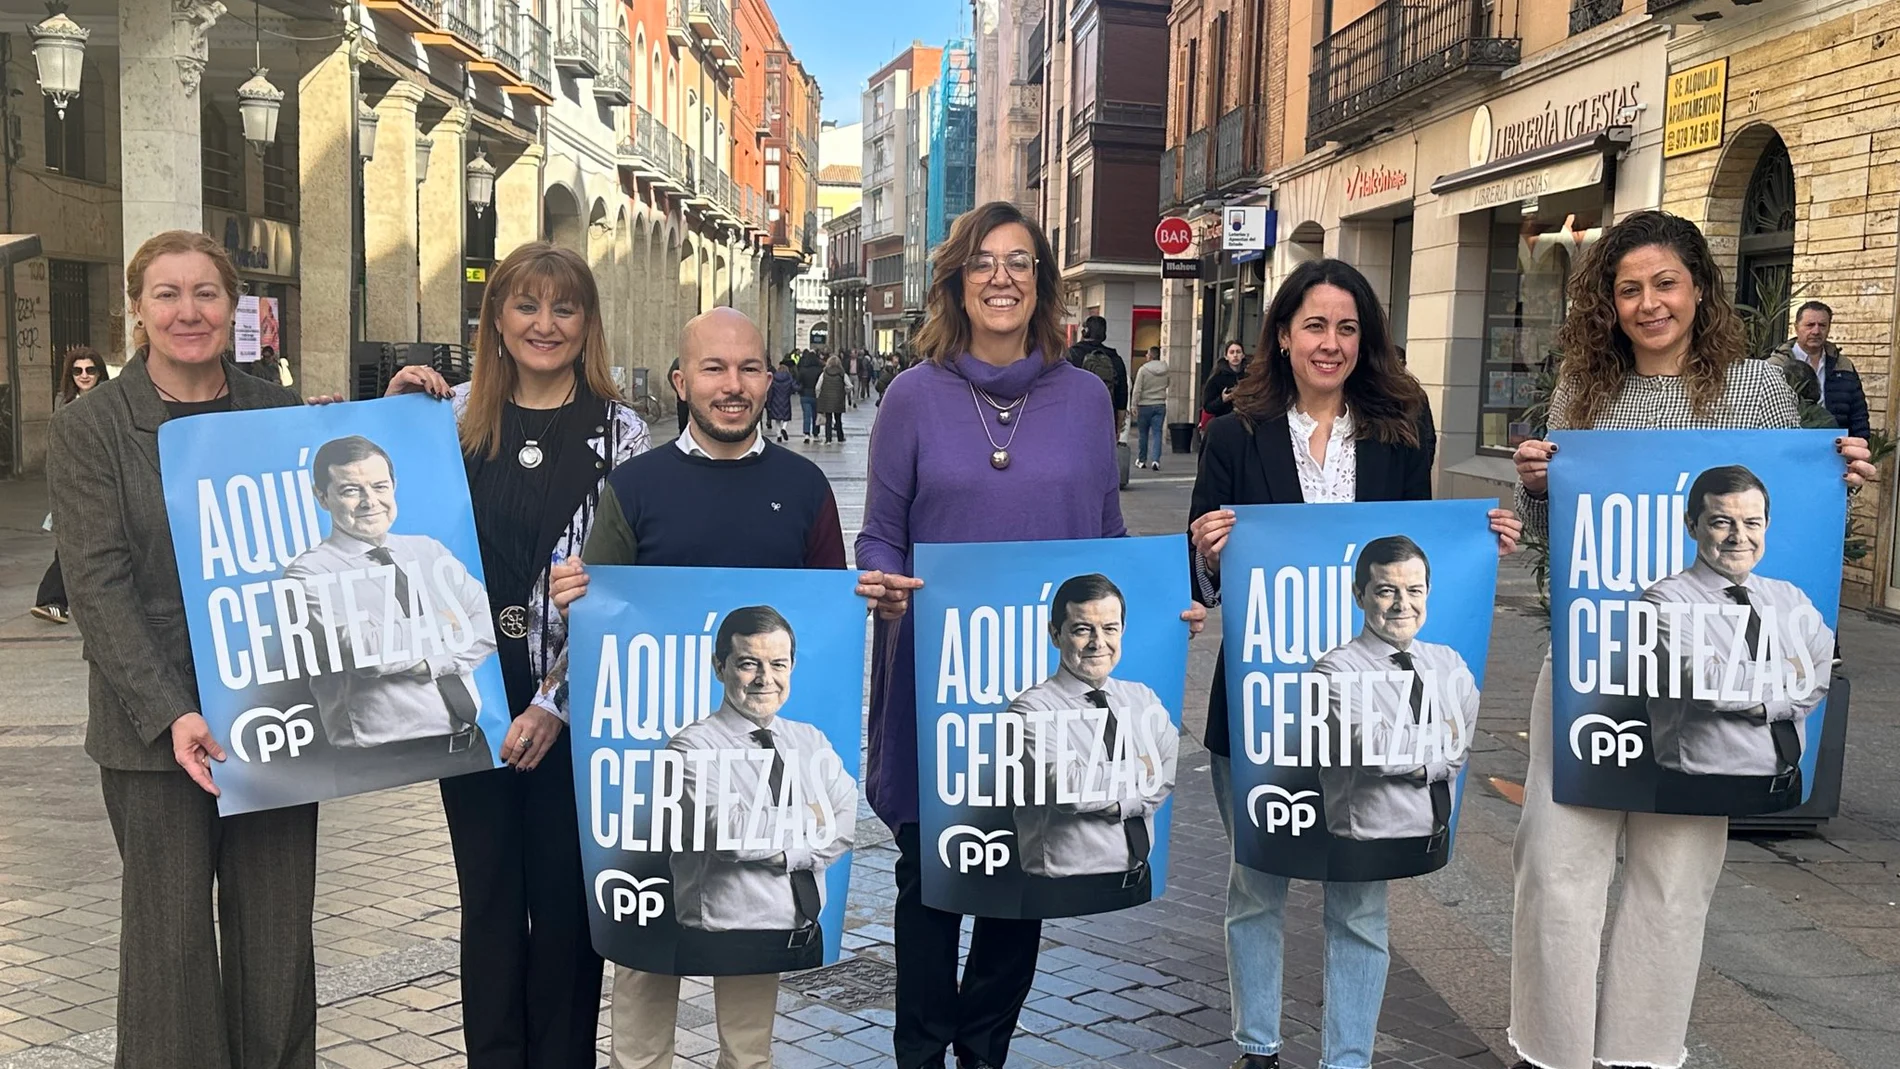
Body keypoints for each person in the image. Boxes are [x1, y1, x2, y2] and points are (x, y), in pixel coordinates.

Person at [1507, 210, 1874, 1069]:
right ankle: (1553, 1051)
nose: (1648, 303)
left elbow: (1785, 519)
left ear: (1700, 288)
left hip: (1719, 679)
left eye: (1664, 283)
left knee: (1674, 877)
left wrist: (1841, 481)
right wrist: (1534, 488)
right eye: (1628, 288)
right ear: (1607, 301)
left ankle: (1638, 1053)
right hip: (1596, 665)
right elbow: (1559, 536)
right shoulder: (1580, 392)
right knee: (1557, 863)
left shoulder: (1757, 390)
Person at [856, 200, 1204, 1069]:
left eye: (1019, 262)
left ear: (1042, 283)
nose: (1001, 277)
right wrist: (881, 584)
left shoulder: (1085, 399)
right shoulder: (912, 397)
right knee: (927, 877)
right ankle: (920, 1050)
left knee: (1025, 881)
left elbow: (1107, 536)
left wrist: (1165, 601)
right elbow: (879, 532)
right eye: (984, 262)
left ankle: (983, 1050)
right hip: (940, 680)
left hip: (1049, 691)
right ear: (958, 282)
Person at [1188, 258, 1520, 1069]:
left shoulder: (1401, 428)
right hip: (1262, 710)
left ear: (1364, 339)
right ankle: (1258, 1045)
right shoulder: (1235, 434)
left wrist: (1483, 542)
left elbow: (1421, 547)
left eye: (1346, 327)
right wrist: (1205, 550)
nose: (1330, 343)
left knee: (1361, 898)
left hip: (1377, 718)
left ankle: (1347, 1058)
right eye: (1314, 325)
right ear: (1284, 336)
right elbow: (1201, 577)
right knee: (1256, 885)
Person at [545, 306, 857, 1069]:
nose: (733, 385)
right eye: (714, 369)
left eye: (749, 367)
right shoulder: (635, 486)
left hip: (767, 780)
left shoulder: (805, 486)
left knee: (749, 1022)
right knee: (643, 976)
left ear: (770, 378)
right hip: (657, 772)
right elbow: (596, 623)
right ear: (682, 381)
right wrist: (573, 599)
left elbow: (824, 623)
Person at [48, 229, 317, 1068]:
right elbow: (97, 588)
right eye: (166, 293)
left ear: (231, 306)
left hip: (273, 716)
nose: (187, 311)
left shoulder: (274, 412)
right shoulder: (92, 429)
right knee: (169, 952)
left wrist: (422, 400)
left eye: (206, 292)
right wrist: (173, 710)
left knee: (276, 939)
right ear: (137, 310)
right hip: (153, 733)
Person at [385, 241, 651, 1069]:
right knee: (491, 900)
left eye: (563, 308)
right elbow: (388, 525)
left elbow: (624, 587)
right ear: (496, 320)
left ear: (587, 323)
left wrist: (554, 700)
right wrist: (389, 415)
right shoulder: (450, 419)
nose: (545, 324)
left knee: (566, 908)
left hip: (572, 704)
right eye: (526, 306)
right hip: (466, 697)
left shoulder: (622, 431)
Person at [281, 435, 498, 783]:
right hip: (381, 764)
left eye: (380, 486)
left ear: (394, 486)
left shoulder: (429, 551)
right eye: (351, 490)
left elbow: (488, 623)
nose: (371, 501)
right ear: (322, 496)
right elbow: (367, 653)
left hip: (472, 747)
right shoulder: (308, 573)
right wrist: (450, 621)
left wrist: (428, 661)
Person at [667, 605, 858, 970]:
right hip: (728, 943)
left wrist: (778, 841)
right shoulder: (691, 747)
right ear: (719, 667)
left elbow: (846, 825)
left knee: (796, 1031)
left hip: (807, 937)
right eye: (748, 663)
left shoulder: (809, 739)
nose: (765, 678)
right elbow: (729, 835)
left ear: (792, 667)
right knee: (744, 1030)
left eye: (778, 664)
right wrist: (811, 815)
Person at [1640, 464, 1833, 815]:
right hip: (1703, 787)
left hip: (1787, 784)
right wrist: (1793, 668)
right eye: (1721, 522)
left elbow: (1823, 669)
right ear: (1691, 525)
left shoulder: (1789, 596)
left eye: (1752, 523)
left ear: (1767, 526)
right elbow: (1708, 684)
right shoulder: (1667, 600)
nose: (1738, 536)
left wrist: (1763, 704)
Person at [1007, 573, 1178, 918]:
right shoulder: (1031, 709)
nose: (1098, 642)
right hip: (1063, 890)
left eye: (1110, 628)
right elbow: (1067, 789)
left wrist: (1110, 799)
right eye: (1082, 629)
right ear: (1055, 634)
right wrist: (1140, 770)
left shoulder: (1142, 698)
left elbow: (1167, 774)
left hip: (1138, 878)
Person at [1314, 536, 1479, 868]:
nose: (1403, 604)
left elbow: (1462, 747)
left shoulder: (1449, 662)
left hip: (1436, 835)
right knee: (1361, 919)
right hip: (1366, 844)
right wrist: (1445, 735)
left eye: (1414, 590)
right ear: (1359, 595)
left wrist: (1418, 761)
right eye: (1386, 591)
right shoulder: (1335, 669)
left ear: (1428, 592)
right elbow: (1374, 753)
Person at [32, 347, 110, 625]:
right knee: (70, 545)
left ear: (100, 372)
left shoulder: (111, 403)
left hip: (107, 485)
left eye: (90, 370)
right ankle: (52, 600)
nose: (84, 375)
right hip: (75, 487)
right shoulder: (64, 405)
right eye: (78, 371)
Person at [1764, 300, 1870, 438]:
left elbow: (1858, 415)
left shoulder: (1844, 366)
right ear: (1796, 327)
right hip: (1787, 444)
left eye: (1822, 325)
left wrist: (1861, 447)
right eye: (1810, 325)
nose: (1816, 331)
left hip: (1835, 446)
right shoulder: (1775, 367)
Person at [1067, 313, 1129, 434]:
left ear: (1084, 332)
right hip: (1105, 418)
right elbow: (1122, 395)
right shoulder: (1114, 358)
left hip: (1077, 416)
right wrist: (1117, 426)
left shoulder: (1072, 354)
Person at [1131, 345, 1168, 471]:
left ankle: (1142, 460)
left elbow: (1137, 389)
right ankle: (1156, 460)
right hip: (1160, 404)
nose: (1146, 356)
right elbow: (1168, 383)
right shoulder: (1166, 369)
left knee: (1143, 434)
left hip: (1145, 405)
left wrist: (1133, 404)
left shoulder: (1143, 370)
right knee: (1157, 433)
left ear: (1151, 356)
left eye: (1147, 354)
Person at [1201, 339, 1248, 425]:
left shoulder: (1249, 376)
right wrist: (1222, 400)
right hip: (1224, 422)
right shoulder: (1217, 378)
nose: (1235, 355)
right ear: (1226, 356)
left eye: (1238, 352)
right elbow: (1207, 407)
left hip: (1245, 422)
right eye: (1232, 352)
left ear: (1243, 355)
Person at [817, 350, 849, 442]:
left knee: (828, 419)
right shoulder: (842, 373)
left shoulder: (824, 373)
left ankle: (828, 438)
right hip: (838, 399)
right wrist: (844, 392)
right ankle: (840, 437)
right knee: (838, 419)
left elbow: (818, 387)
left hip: (826, 399)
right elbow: (849, 386)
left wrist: (819, 395)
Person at [794, 347, 823, 441]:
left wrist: (799, 390)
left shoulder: (803, 370)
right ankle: (815, 433)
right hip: (816, 395)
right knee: (816, 415)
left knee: (806, 415)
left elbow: (798, 382)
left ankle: (806, 433)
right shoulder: (819, 370)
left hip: (805, 394)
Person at [766, 356, 795, 441]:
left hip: (776, 401)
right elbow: (794, 386)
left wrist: (769, 402)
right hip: (785, 400)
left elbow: (770, 391)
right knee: (786, 417)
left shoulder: (774, 378)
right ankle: (784, 428)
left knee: (777, 419)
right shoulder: (789, 377)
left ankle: (778, 435)